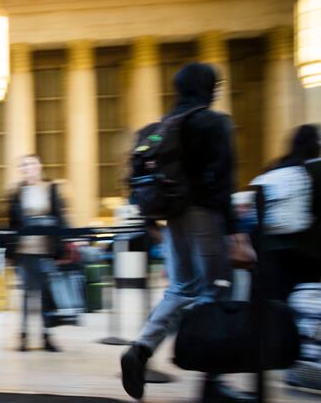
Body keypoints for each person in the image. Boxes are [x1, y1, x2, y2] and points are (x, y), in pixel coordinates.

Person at [120, 63, 251, 402]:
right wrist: (236, 232)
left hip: (174, 216)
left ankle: (140, 350)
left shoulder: (162, 126)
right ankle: (212, 382)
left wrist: (151, 224)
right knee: (216, 292)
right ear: (207, 88)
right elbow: (223, 180)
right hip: (206, 216)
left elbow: (136, 176)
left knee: (181, 288)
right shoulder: (213, 122)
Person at [8, 154, 66, 353]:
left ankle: (46, 336)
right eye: (23, 165)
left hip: (45, 250)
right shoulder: (17, 192)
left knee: (45, 296)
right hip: (24, 251)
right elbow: (12, 223)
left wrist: (62, 243)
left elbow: (59, 216)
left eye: (31, 164)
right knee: (25, 295)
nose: (27, 168)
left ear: (39, 166)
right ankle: (23, 336)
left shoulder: (50, 189)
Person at [260, 124, 321, 301]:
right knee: (304, 298)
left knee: (279, 298)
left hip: (272, 246)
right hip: (307, 250)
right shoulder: (315, 170)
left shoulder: (274, 169)